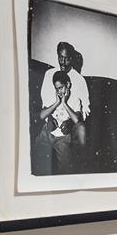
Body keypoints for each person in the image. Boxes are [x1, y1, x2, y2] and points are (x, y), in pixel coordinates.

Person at [37, 42, 91, 170]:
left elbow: (86, 109)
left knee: (66, 168)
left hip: (67, 129)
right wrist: (48, 118)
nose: (62, 61)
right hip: (49, 126)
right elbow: (44, 103)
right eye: (60, 57)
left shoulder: (79, 80)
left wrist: (73, 123)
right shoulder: (49, 74)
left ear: (71, 58)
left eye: (66, 58)